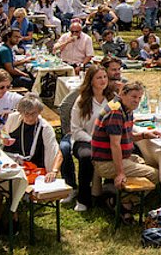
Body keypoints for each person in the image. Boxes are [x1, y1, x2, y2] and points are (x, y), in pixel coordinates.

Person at [90, 82, 160, 221]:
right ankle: (121, 202)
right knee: (155, 175)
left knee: (154, 164)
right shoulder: (116, 112)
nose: (137, 101)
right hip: (106, 161)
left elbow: (126, 136)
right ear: (122, 94)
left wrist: (145, 135)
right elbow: (114, 145)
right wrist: (120, 173)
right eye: (134, 96)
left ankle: (118, 195)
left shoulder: (125, 109)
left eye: (140, 98)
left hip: (120, 157)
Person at [65, 64, 111, 211]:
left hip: (109, 140)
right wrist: (92, 140)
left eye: (105, 77)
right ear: (91, 81)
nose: (103, 80)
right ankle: (83, 199)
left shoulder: (112, 99)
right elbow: (75, 129)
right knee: (86, 157)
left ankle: (110, 193)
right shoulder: (82, 101)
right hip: (84, 140)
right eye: (99, 78)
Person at [2, 96, 61, 182]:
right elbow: (2, 132)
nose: (30, 117)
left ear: (39, 112)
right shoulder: (13, 119)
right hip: (12, 164)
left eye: (33, 113)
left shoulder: (45, 128)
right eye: (26, 114)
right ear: (20, 112)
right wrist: (4, 138)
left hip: (35, 168)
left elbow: (57, 152)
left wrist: (53, 171)